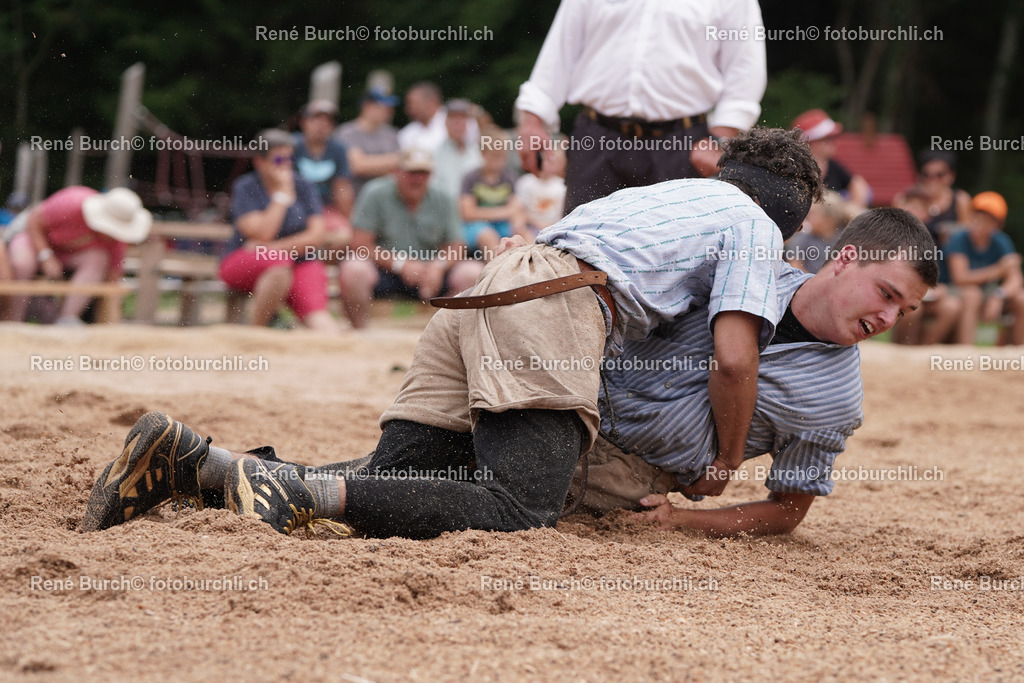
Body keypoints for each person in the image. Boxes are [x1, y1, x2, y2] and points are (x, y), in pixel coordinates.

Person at [80, 127, 823, 539]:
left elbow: (543, 249)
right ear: (792, 214)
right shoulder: (755, 225)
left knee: (395, 475)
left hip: (496, 285)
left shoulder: (663, 196)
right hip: (555, 302)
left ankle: (197, 466)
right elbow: (733, 357)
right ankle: (282, 485)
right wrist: (726, 460)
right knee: (517, 505)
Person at [579, 208, 937, 536]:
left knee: (529, 482)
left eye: (903, 311)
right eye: (887, 295)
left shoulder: (837, 399)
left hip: (625, 471)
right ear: (846, 259)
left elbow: (787, 510)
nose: (889, 319)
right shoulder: (750, 268)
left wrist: (682, 520)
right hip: (574, 395)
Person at [515, 0, 767, 215]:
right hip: (596, 141)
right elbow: (560, 51)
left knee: (675, 257)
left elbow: (746, 68)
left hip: (683, 146)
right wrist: (533, 119)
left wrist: (721, 137)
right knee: (577, 254)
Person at [336, 148, 484, 329]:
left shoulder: (444, 197)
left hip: (432, 271)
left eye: (423, 172)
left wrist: (437, 267)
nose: (417, 178)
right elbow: (359, 243)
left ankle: (441, 332)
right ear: (397, 172)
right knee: (354, 269)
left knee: (472, 272)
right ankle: (361, 334)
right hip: (386, 271)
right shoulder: (375, 193)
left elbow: (457, 245)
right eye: (411, 172)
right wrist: (400, 264)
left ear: (431, 175)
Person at [218, 129, 338, 334]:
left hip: (298, 261)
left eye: (289, 158)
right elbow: (262, 233)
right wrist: (281, 197)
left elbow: (317, 237)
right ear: (260, 162)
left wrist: (273, 248)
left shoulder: (304, 186)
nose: (286, 165)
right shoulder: (246, 187)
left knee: (322, 322)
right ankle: (257, 333)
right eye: (279, 159)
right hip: (245, 262)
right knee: (278, 267)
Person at [4, 186, 151, 324]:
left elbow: (113, 276)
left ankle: (67, 320)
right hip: (33, 238)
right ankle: (12, 321)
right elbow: (34, 221)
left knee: (98, 259)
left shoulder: (116, 240)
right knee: (22, 264)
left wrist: (114, 305)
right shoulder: (72, 202)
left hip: (67, 256)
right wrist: (45, 255)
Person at [947, 191, 1024, 345]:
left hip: (989, 291)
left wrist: (999, 295)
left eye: (986, 221)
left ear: (997, 226)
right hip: (956, 290)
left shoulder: (1001, 241)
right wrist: (997, 270)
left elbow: (1016, 278)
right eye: (976, 218)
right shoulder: (959, 239)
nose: (978, 225)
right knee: (972, 295)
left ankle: (1018, 352)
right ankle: (965, 352)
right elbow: (960, 278)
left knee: (1021, 298)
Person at [890, 187, 962, 345]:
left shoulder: (932, 242)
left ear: (927, 215)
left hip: (923, 295)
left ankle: (925, 350)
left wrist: (938, 288)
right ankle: (900, 350)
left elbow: (937, 276)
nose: (914, 210)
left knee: (951, 306)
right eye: (911, 205)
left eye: (920, 207)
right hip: (899, 294)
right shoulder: (890, 237)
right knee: (913, 311)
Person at [292, 100, 354, 249]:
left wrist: (349, 220)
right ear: (304, 122)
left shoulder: (339, 150)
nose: (322, 124)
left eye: (327, 120)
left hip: (325, 209)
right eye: (316, 119)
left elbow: (342, 188)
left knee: (345, 235)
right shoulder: (290, 145)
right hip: (294, 208)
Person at [460, 128, 529, 258]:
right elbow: (467, 213)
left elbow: (516, 209)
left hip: (502, 224)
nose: (499, 160)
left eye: (503, 156)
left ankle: (531, 265)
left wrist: (518, 225)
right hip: (475, 227)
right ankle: (495, 271)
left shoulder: (509, 177)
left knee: (522, 233)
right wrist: (504, 212)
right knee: (489, 237)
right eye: (494, 156)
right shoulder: (471, 178)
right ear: (483, 154)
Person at [790, 109, 871, 208]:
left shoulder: (832, 165)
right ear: (811, 143)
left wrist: (852, 213)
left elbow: (858, 185)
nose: (834, 142)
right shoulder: (796, 169)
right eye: (828, 139)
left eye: (834, 137)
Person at [334, 88, 402, 200]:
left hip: (387, 200)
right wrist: (392, 161)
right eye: (384, 107)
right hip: (357, 199)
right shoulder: (346, 132)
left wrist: (369, 162)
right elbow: (357, 166)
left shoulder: (392, 134)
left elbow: (400, 169)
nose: (389, 112)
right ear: (367, 106)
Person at [785, 190, 858, 274]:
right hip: (808, 282)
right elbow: (795, 265)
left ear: (829, 220)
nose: (807, 218)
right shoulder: (804, 237)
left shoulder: (846, 239)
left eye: (812, 214)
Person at [429, 99, 483, 202]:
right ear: (445, 123)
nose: (458, 123)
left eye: (462, 118)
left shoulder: (476, 153)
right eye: (453, 118)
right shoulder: (434, 154)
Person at [514, 138, 566, 233]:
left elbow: (562, 215)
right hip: (530, 227)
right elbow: (519, 210)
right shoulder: (526, 182)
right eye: (545, 160)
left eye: (553, 161)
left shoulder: (562, 186)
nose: (548, 164)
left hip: (552, 228)